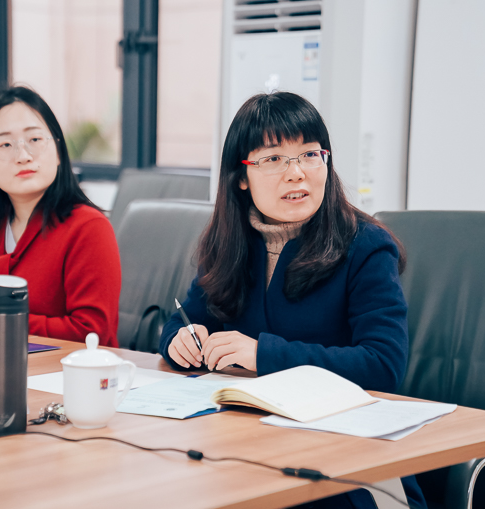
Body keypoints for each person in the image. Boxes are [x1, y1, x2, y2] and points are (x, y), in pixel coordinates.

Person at [159, 92, 426, 509]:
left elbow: (383, 364)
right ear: (241, 176)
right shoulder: (230, 243)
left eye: (309, 155)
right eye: (274, 159)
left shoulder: (365, 246)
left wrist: (262, 354)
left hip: (346, 467)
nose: (296, 173)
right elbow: (187, 320)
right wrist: (179, 340)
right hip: (248, 451)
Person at [0, 86, 121, 346]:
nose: (23, 156)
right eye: (5, 144)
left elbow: (93, 333)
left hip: (62, 371)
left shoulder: (89, 228)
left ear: (58, 151)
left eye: (35, 140)